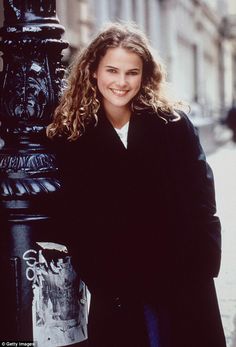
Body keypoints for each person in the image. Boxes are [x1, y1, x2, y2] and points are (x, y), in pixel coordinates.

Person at [47, 22, 226, 347]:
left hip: (180, 274)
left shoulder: (172, 124)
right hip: (116, 282)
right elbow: (73, 210)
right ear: (93, 71)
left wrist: (203, 261)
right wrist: (97, 272)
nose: (121, 82)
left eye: (132, 72)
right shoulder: (73, 133)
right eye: (112, 70)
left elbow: (202, 197)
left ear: (145, 75)